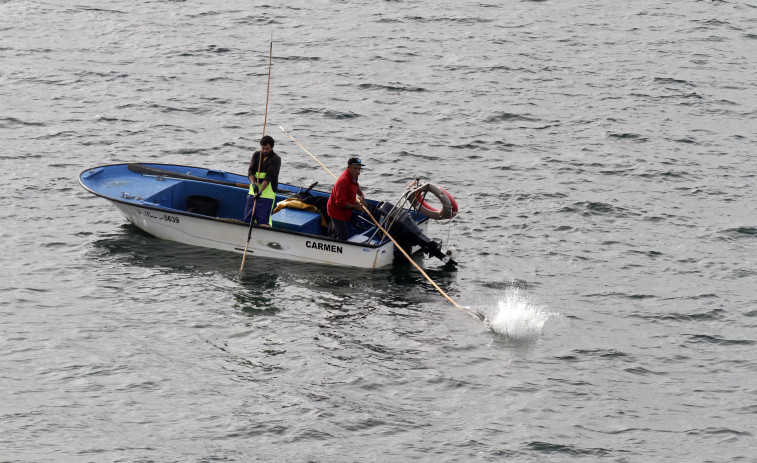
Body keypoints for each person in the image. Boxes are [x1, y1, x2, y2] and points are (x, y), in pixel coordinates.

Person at [244, 135, 281, 226]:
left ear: (272, 147)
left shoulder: (276, 159)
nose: (265, 151)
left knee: (263, 219)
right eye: (263, 148)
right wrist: (253, 184)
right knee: (248, 218)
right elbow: (250, 171)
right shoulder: (256, 155)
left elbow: (268, 178)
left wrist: (260, 192)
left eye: (267, 149)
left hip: (266, 194)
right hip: (253, 191)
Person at [327, 157, 365, 240]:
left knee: (337, 232)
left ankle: (333, 238)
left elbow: (355, 185)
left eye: (359, 169)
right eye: (355, 168)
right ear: (349, 168)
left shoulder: (353, 176)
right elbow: (340, 203)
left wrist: (361, 195)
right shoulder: (344, 181)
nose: (358, 172)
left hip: (344, 210)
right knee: (343, 236)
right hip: (336, 211)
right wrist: (355, 207)